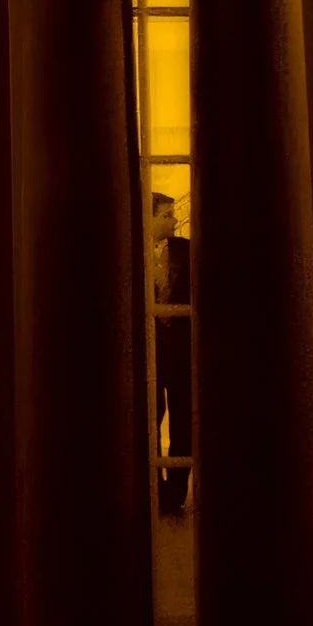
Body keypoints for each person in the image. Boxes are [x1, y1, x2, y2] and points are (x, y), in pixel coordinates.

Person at [149, 192, 193, 515]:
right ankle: (154, 487)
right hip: (149, 352)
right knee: (150, 418)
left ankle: (175, 491)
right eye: (167, 215)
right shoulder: (130, 251)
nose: (175, 221)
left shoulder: (186, 250)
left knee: (183, 422)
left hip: (179, 351)